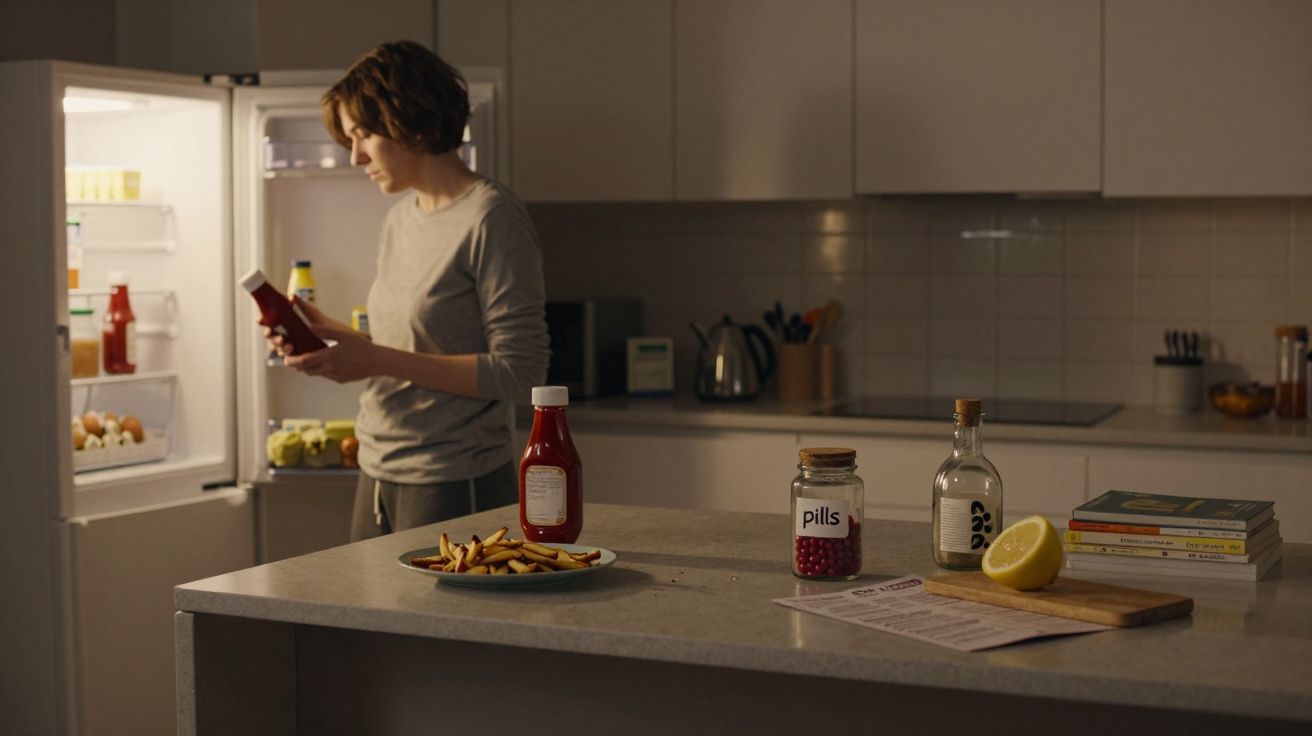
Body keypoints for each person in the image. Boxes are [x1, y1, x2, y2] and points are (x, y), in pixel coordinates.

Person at [265, 41, 550, 541]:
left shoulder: (492, 219)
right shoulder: (401, 219)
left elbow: (521, 372)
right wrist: (322, 333)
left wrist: (374, 360)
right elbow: (407, 346)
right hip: (378, 466)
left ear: (411, 122)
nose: (354, 156)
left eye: (364, 135)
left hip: (454, 478)